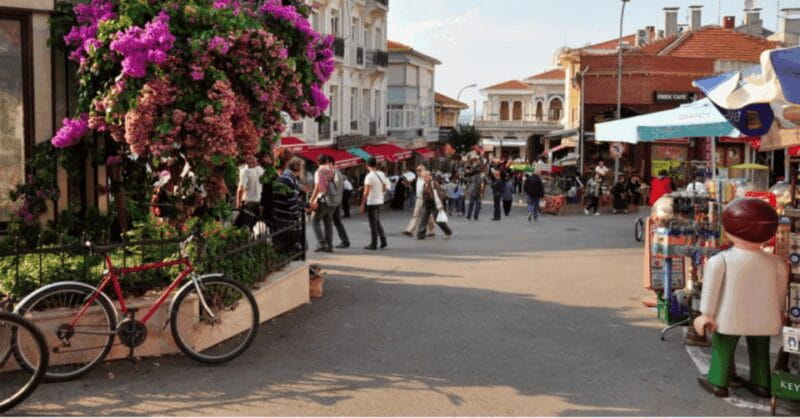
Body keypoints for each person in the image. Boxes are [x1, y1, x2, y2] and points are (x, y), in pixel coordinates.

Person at [694, 198, 786, 399]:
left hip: (729, 318)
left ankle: (718, 381)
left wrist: (705, 314)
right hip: (765, 319)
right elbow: (780, 293)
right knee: (760, 350)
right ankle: (762, 383)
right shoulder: (777, 263)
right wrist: (780, 311)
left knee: (723, 347)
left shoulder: (720, 261)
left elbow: (711, 290)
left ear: (729, 230)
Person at [361, 157, 389, 250]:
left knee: (373, 224)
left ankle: (374, 243)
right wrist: (379, 193)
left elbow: (366, 192)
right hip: (380, 200)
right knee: (377, 221)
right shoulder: (381, 174)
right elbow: (384, 187)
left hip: (372, 202)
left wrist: (362, 204)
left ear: (367, 165)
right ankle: (383, 240)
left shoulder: (369, 176)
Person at [309, 155, 335, 252]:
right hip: (332, 200)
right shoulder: (332, 170)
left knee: (314, 220)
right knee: (328, 223)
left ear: (317, 162)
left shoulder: (319, 171)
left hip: (323, 199)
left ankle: (322, 243)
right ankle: (329, 245)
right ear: (327, 161)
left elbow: (317, 187)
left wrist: (311, 200)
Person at [417, 172, 452, 240]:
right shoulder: (425, 184)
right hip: (427, 204)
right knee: (423, 219)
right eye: (423, 177)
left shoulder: (434, 183)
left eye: (425, 177)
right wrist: (423, 204)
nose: (424, 178)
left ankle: (448, 231)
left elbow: (439, 194)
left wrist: (440, 205)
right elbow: (424, 195)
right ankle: (420, 235)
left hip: (434, 204)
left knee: (437, 220)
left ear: (429, 176)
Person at [403, 166, 435, 237]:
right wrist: (407, 182)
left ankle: (432, 231)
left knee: (428, 216)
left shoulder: (427, 179)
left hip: (426, 199)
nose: (418, 171)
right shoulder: (417, 178)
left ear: (424, 170)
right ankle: (409, 230)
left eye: (419, 170)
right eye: (417, 170)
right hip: (419, 199)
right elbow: (408, 181)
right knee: (416, 215)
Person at [236, 155, 265, 229]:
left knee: (248, 227)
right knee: (259, 228)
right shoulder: (262, 170)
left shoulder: (246, 171)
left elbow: (241, 189)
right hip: (260, 203)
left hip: (249, 204)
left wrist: (238, 205)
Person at [328, 161, 350, 249]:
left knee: (330, 221)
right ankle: (345, 240)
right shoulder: (337, 172)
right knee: (337, 221)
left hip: (334, 201)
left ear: (331, 163)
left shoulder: (335, 173)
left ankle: (329, 243)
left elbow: (336, 187)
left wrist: (329, 181)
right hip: (336, 200)